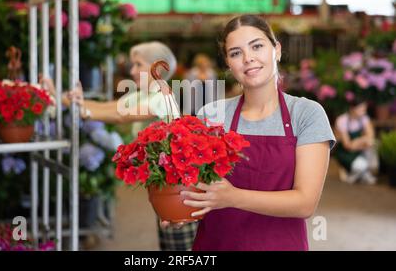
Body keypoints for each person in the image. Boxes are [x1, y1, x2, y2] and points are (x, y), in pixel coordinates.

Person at [163, 15, 336, 251]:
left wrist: (232, 197)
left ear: (276, 50)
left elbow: (304, 203)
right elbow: (198, 186)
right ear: (228, 63)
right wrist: (177, 207)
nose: (248, 58)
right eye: (235, 53)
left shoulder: (306, 114)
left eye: (257, 46)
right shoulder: (211, 115)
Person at [41, 41, 198, 251]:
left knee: (183, 248)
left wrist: (83, 111)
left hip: (181, 188)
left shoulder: (162, 97)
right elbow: (110, 106)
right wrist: (64, 99)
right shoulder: (145, 94)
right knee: (170, 244)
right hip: (166, 184)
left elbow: (119, 115)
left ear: (157, 68)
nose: (132, 70)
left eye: (139, 64)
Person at [334, 97, 378, 185]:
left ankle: (360, 174)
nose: (363, 111)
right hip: (345, 152)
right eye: (361, 109)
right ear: (352, 108)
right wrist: (363, 141)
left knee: (373, 151)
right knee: (361, 165)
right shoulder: (342, 120)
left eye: (364, 109)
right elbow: (347, 145)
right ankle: (354, 174)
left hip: (358, 150)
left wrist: (358, 142)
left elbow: (371, 137)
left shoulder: (364, 118)